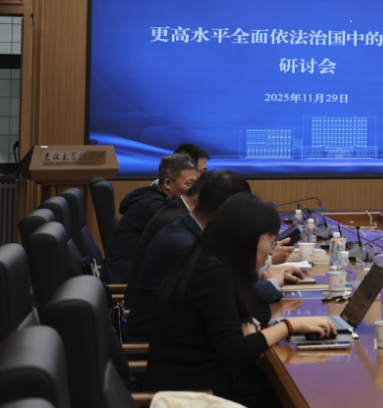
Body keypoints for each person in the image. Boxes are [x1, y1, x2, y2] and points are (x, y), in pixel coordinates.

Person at [145, 193, 334, 407]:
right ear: (248, 237)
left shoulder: (213, 261)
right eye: (271, 240)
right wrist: (289, 326)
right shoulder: (212, 274)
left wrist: (249, 323)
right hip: (193, 396)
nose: (270, 252)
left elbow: (257, 304)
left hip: (206, 382)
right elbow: (236, 351)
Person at [126, 170, 303, 342]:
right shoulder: (184, 244)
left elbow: (223, 288)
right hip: (157, 346)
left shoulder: (190, 229)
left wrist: (262, 272)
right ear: (229, 212)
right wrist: (270, 285)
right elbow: (223, 300)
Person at [104, 153, 200, 283]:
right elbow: (187, 235)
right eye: (189, 184)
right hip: (125, 283)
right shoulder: (152, 207)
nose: (197, 191)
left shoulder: (159, 198)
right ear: (167, 183)